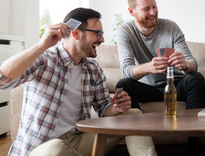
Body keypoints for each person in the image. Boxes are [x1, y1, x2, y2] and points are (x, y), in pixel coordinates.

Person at [0, 8, 157, 156]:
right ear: (75, 33)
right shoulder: (45, 59)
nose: (102, 39)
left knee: (133, 115)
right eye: (97, 33)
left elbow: (103, 108)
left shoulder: (92, 68)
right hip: (42, 146)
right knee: (56, 148)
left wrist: (115, 108)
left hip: (77, 140)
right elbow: (2, 81)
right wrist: (42, 45)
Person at [115, 0, 205, 110]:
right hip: (147, 89)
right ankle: (136, 127)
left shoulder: (171, 27)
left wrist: (185, 65)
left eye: (154, 6)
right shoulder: (125, 31)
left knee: (196, 78)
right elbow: (126, 69)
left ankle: (194, 127)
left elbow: (193, 64)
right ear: (132, 12)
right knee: (123, 84)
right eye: (146, 8)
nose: (153, 12)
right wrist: (148, 67)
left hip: (175, 86)